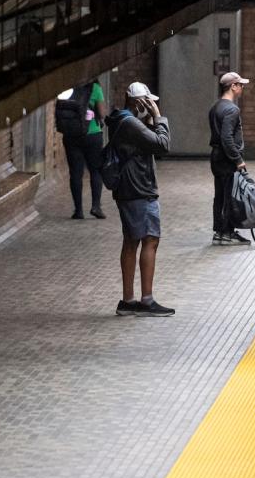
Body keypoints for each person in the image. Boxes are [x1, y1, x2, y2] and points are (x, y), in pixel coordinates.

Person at [106, 82, 175, 317]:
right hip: (139, 189)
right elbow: (163, 145)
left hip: (128, 188)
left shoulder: (122, 120)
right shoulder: (131, 124)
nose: (152, 106)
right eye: (149, 103)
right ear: (139, 102)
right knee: (150, 239)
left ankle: (128, 300)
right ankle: (146, 301)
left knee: (131, 241)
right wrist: (158, 117)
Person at [208, 71, 250, 245]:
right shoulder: (232, 109)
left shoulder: (215, 107)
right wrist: (238, 159)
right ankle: (227, 233)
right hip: (226, 159)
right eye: (240, 85)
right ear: (233, 86)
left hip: (216, 157)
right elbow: (227, 138)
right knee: (229, 196)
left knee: (220, 195)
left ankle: (219, 231)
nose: (242, 88)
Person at [63, 79, 107, 219]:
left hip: (71, 135)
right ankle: (96, 206)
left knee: (75, 173)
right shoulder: (95, 88)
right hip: (92, 135)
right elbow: (101, 114)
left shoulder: (67, 86)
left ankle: (78, 210)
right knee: (95, 171)